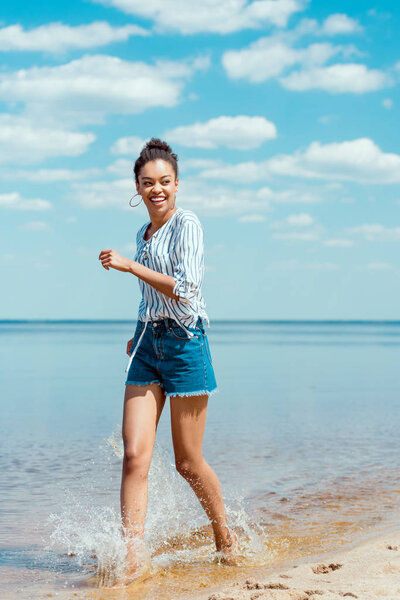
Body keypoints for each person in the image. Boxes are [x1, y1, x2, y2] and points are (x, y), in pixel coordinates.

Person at [98, 138, 238, 586]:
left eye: (164, 182)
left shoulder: (188, 224)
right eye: (147, 183)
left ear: (176, 184)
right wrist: (139, 332)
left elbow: (186, 288)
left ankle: (224, 536)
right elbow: (152, 298)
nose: (155, 189)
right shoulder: (143, 233)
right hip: (147, 345)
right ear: (136, 188)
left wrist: (129, 267)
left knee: (187, 461)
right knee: (135, 456)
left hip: (185, 345)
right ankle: (132, 559)